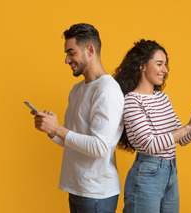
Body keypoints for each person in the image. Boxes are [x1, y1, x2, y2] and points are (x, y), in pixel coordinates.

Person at [114, 39, 191, 213]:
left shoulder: (163, 98)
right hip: (147, 175)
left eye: (165, 65)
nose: (165, 70)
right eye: (159, 64)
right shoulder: (132, 101)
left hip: (170, 171)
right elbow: (150, 145)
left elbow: (183, 139)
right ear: (142, 66)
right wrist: (188, 126)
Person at [32, 23, 124, 213]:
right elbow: (72, 140)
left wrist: (58, 129)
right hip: (77, 188)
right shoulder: (77, 89)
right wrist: (51, 130)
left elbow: (99, 147)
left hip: (97, 194)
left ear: (90, 50)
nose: (67, 60)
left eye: (71, 53)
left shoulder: (107, 90)